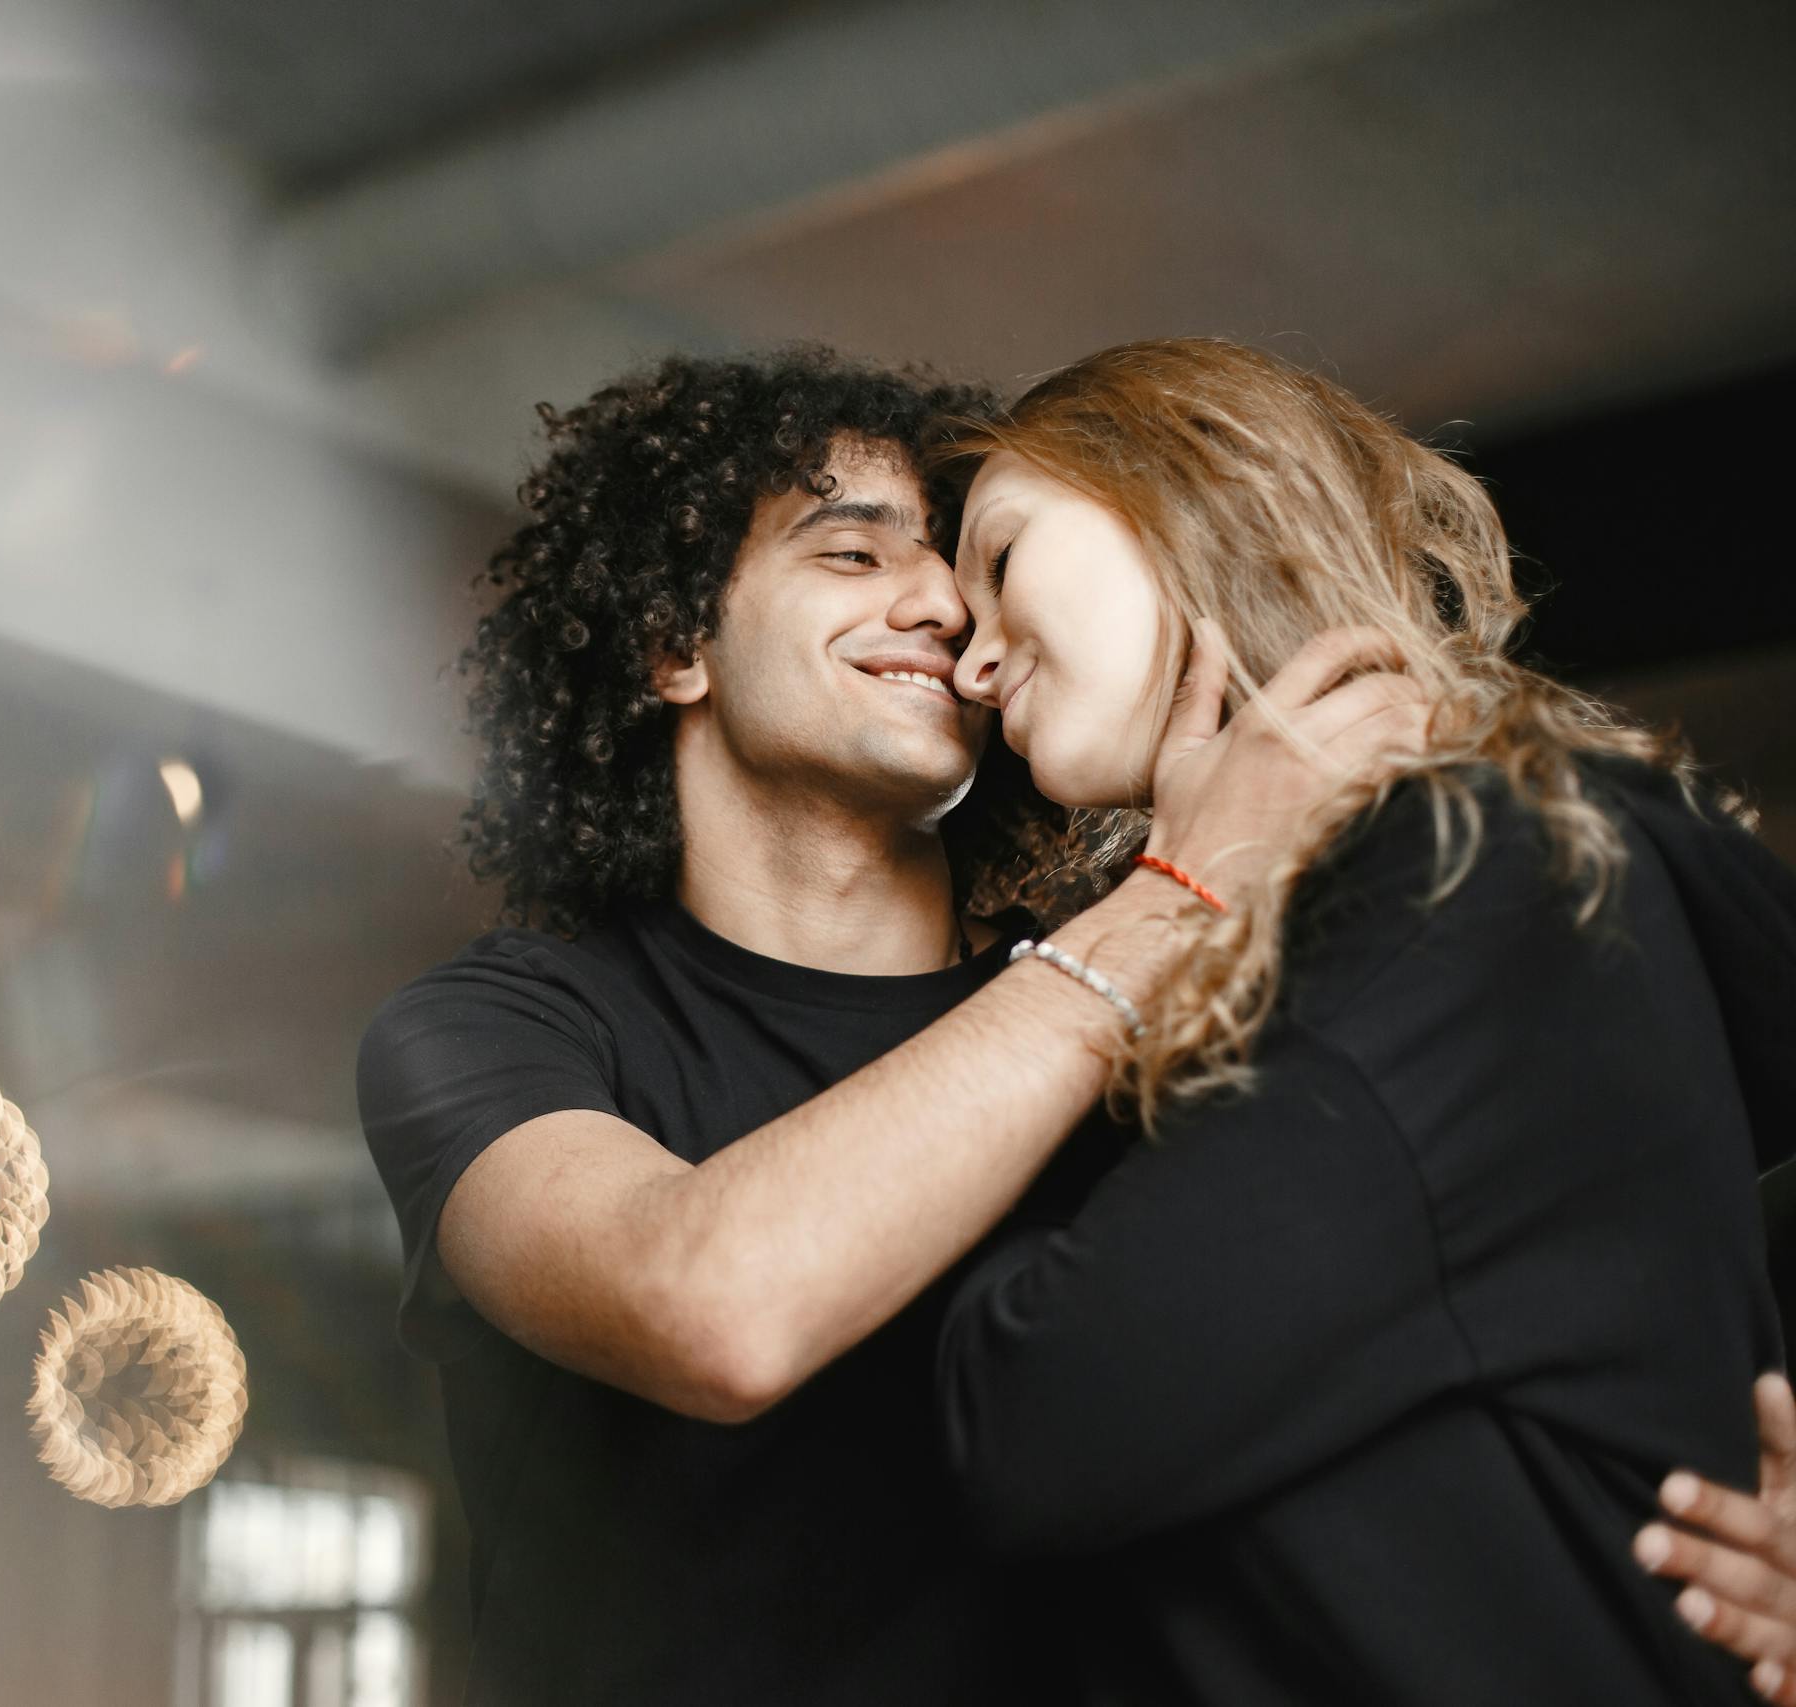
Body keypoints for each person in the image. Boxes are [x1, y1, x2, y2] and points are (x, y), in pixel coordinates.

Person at [356, 347, 1796, 1704]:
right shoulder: (497, 1028)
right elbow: (707, 1306)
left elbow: (1598, 1274)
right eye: (853, 552)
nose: (946, 620)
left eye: (972, 579)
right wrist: (1178, 891)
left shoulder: (1192, 1018)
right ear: (676, 646)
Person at [927, 336, 1796, 1705]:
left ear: (1191, 494)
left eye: (1003, 559)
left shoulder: (1473, 879)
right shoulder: (1356, 916)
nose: (973, 662)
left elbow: (1034, 1419)